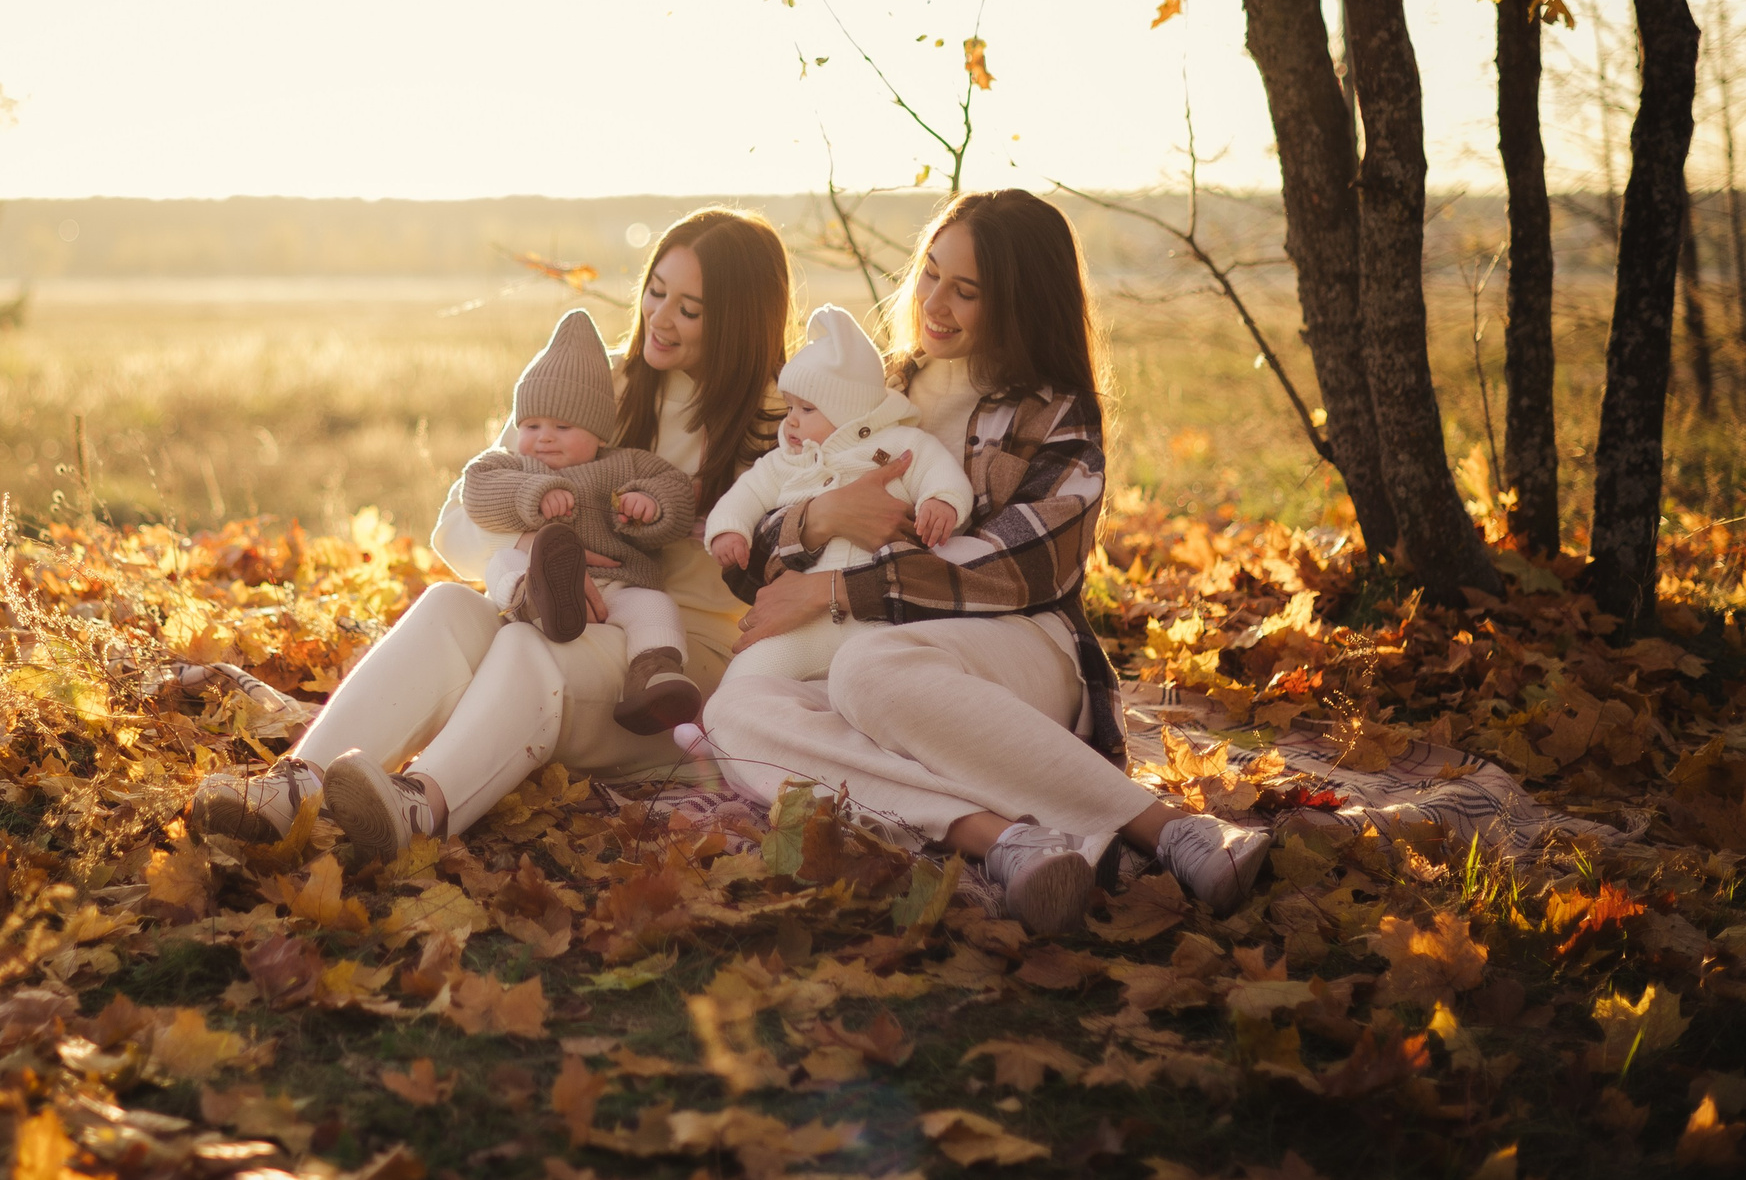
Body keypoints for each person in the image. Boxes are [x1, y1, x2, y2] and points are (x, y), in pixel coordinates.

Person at [700, 190, 1269, 938]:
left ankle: (1170, 831)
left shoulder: (1054, 412)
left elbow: (1019, 566)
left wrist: (838, 589)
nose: (933, 303)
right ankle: (1006, 843)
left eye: (965, 291)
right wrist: (826, 517)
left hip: (1017, 645)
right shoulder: (870, 388)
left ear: (1018, 305)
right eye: (931, 273)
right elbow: (756, 547)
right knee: (733, 711)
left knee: (870, 669)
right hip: (859, 647)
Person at [188, 207, 791, 861]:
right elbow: (457, 525)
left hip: (670, 669)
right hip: (560, 616)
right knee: (450, 605)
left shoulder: (782, 422)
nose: (660, 317)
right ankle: (294, 787)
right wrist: (527, 549)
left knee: (529, 648)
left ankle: (419, 806)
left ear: (738, 321)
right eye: (655, 292)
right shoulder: (592, 382)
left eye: (689, 309)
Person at [701, 303, 971, 689]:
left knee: (879, 684)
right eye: (789, 406)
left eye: (807, 408)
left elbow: (937, 469)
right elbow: (747, 492)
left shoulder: (901, 443)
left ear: (852, 411)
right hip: (803, 616)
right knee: (748, 676)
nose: (791, 420)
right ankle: (729, 715)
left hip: (878, 614)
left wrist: (940, 501)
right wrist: (730, 529)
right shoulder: (786, 460)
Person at [459, 309, 703, 733]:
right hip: (542, 577)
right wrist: (532, 494)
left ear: (600, 434)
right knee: (502, 563)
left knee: (656, 607)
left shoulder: (625, 464)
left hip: (621, 586)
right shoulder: (515, 465)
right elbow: (477, 487)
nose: (544, 436)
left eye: (562, 425)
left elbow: (677, 488)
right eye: (531, 425)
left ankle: (654, 674)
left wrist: (649, 504)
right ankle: (534, 600)